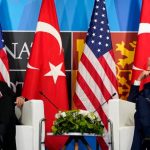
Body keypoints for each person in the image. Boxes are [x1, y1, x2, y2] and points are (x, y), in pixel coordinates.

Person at [128, 61, 150, 150]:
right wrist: (139, 79)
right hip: (143, 126)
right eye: (148, 67)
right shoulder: (147, 88)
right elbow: (132, 100)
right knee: (140, 103)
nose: (148, 69)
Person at [0, 81, 25, 150]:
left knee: (7, 100)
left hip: (5, 118)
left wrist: (20, 99)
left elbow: (14, 98)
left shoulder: (2, 85)